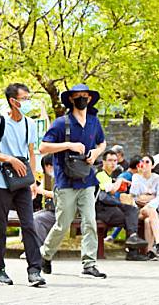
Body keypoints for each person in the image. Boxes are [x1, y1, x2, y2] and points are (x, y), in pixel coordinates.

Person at [38, 83, 108, 279]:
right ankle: (45, 255)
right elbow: (43, 148)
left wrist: (95, 152)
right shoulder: (61, 123)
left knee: (90, 222)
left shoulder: (94, 122)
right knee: (63, 224)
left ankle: (89, 264)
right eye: (78, 96)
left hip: (88, 180)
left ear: (90, 98)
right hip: (66, 181)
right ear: (71, 99)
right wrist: (68, 145)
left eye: (85, 95)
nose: (82, 99)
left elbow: (102, 142)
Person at [0, 83, 45, 286]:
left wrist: (34, 180)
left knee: (29, 225)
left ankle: (35, 270)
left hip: (23, 183)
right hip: (1, 183)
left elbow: (32, 152)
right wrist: (10, 159)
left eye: (28, 98)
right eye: (24, 99)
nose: (28, 102)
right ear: (13, 101)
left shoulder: (30, 124)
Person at [95, 149, 148, 260]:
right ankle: (132, 253)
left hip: (111, 207)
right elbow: (112, 190)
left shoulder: (108, 176)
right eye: (110, 160)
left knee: (132, 210)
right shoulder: (100, 174)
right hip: (102, 210)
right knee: (130, 219)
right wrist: (120, 180)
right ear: (103, 162)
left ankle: (132, 238)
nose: (113, 163)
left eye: (115, 160)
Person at [129, 154, 159, 260]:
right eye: (142, 162)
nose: (144, 164)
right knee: (150, 210)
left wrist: (149, 201)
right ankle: (158, 243)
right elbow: (134, 195)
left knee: (148, 220)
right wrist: (149, 196)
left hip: (152, 210)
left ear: (152, 166)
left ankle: (150, 251)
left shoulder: (158, 178)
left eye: (147, 162)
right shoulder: (136, 177)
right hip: (138, 210)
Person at [105, 155, 141, 243]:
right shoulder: (127, 176)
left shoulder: (126, 174)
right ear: (137, 166)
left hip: (118, 202)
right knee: (129, 216)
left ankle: (113, 236)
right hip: (119, 202)